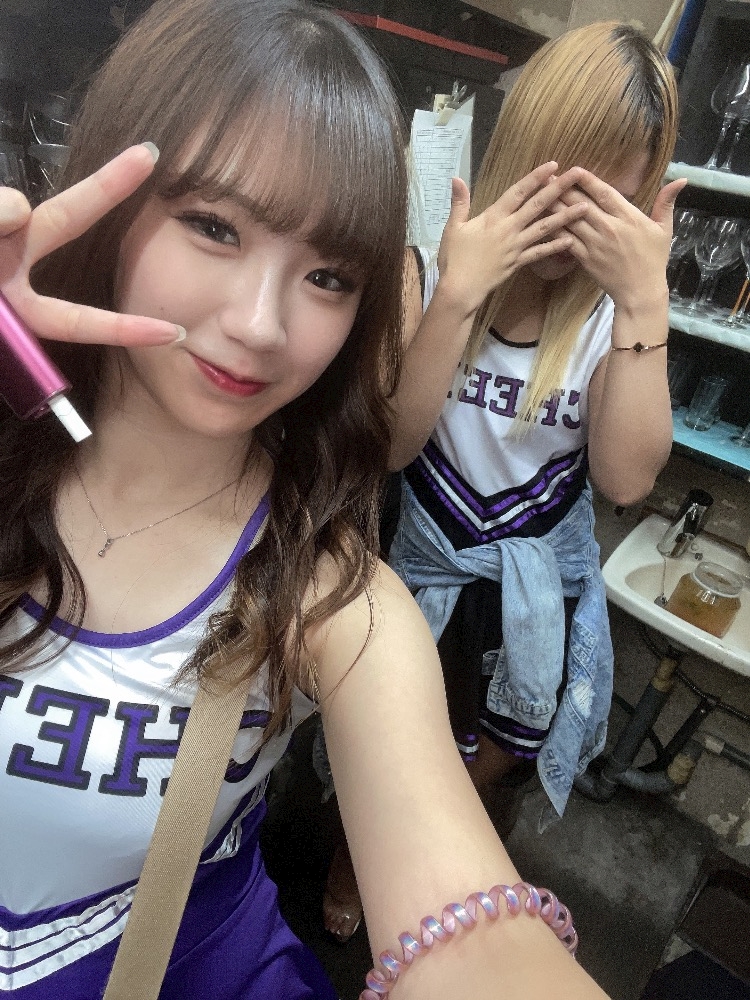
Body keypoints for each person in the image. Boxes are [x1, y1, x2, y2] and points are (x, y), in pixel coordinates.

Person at [0, 1, 612, 998]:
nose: (260, 324)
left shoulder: (335, 603)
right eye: (214, 227)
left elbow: (475, 936)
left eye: (328, 275)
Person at [324, 21, 685, 939]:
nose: (572, 223)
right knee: (381, 741)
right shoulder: (432, 258)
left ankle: (437, 874)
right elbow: (393, 447)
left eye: (608, 199)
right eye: (562, 184)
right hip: (420, 563)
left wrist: (645, 300)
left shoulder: (612, 315)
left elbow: (625, 478)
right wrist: (458, 291)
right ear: (523, 146)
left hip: (529, 590)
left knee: (488, 759)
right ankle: (356, 856)